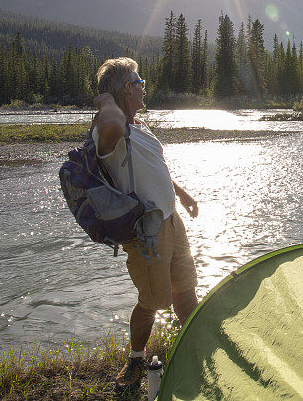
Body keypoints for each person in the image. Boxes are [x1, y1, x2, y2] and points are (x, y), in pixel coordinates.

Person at [92, 57, 199, 393]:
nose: (144, 87)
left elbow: (158, 167)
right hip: (147, 234)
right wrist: (107, 100)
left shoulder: (138, 126)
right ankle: (136, 358)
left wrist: (180, 195)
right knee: (151, 301)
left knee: (185, 289)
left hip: (172, 222)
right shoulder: (110, 131)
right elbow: (109, 124)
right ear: (126, 88)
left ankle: (196, 342)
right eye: (139, 82)